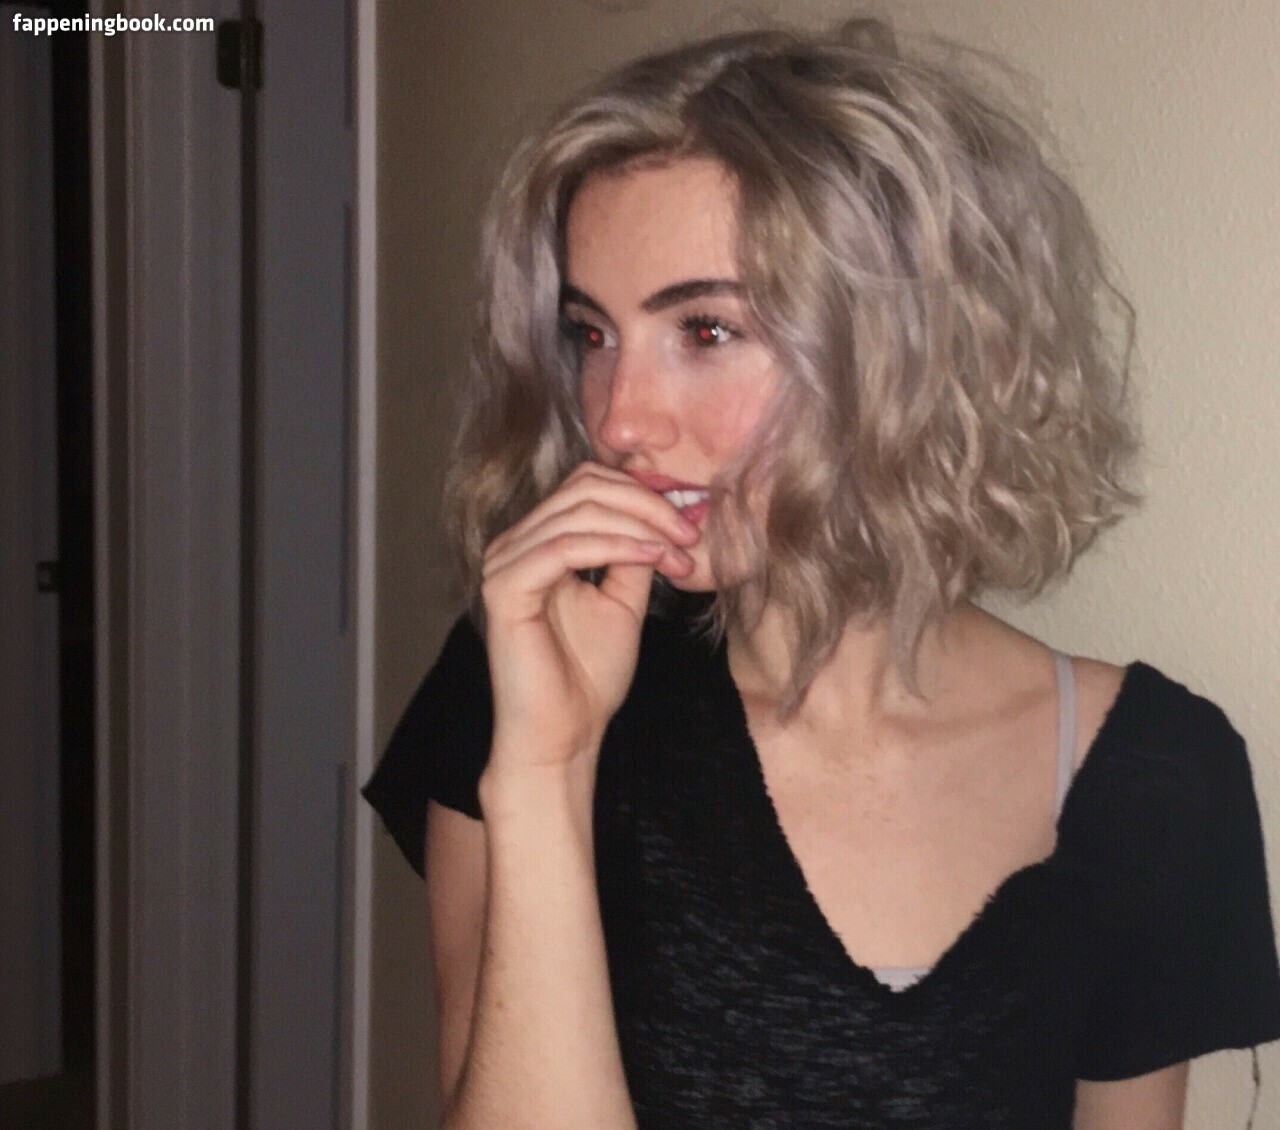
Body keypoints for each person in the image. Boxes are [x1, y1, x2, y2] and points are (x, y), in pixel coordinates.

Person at [363, 18, 1280, 1128]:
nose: (616, 420)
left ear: (913, 348)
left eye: (705, 331)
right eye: (590, 334)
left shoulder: (1154, 776)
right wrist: (545, 773)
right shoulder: (524, 679)